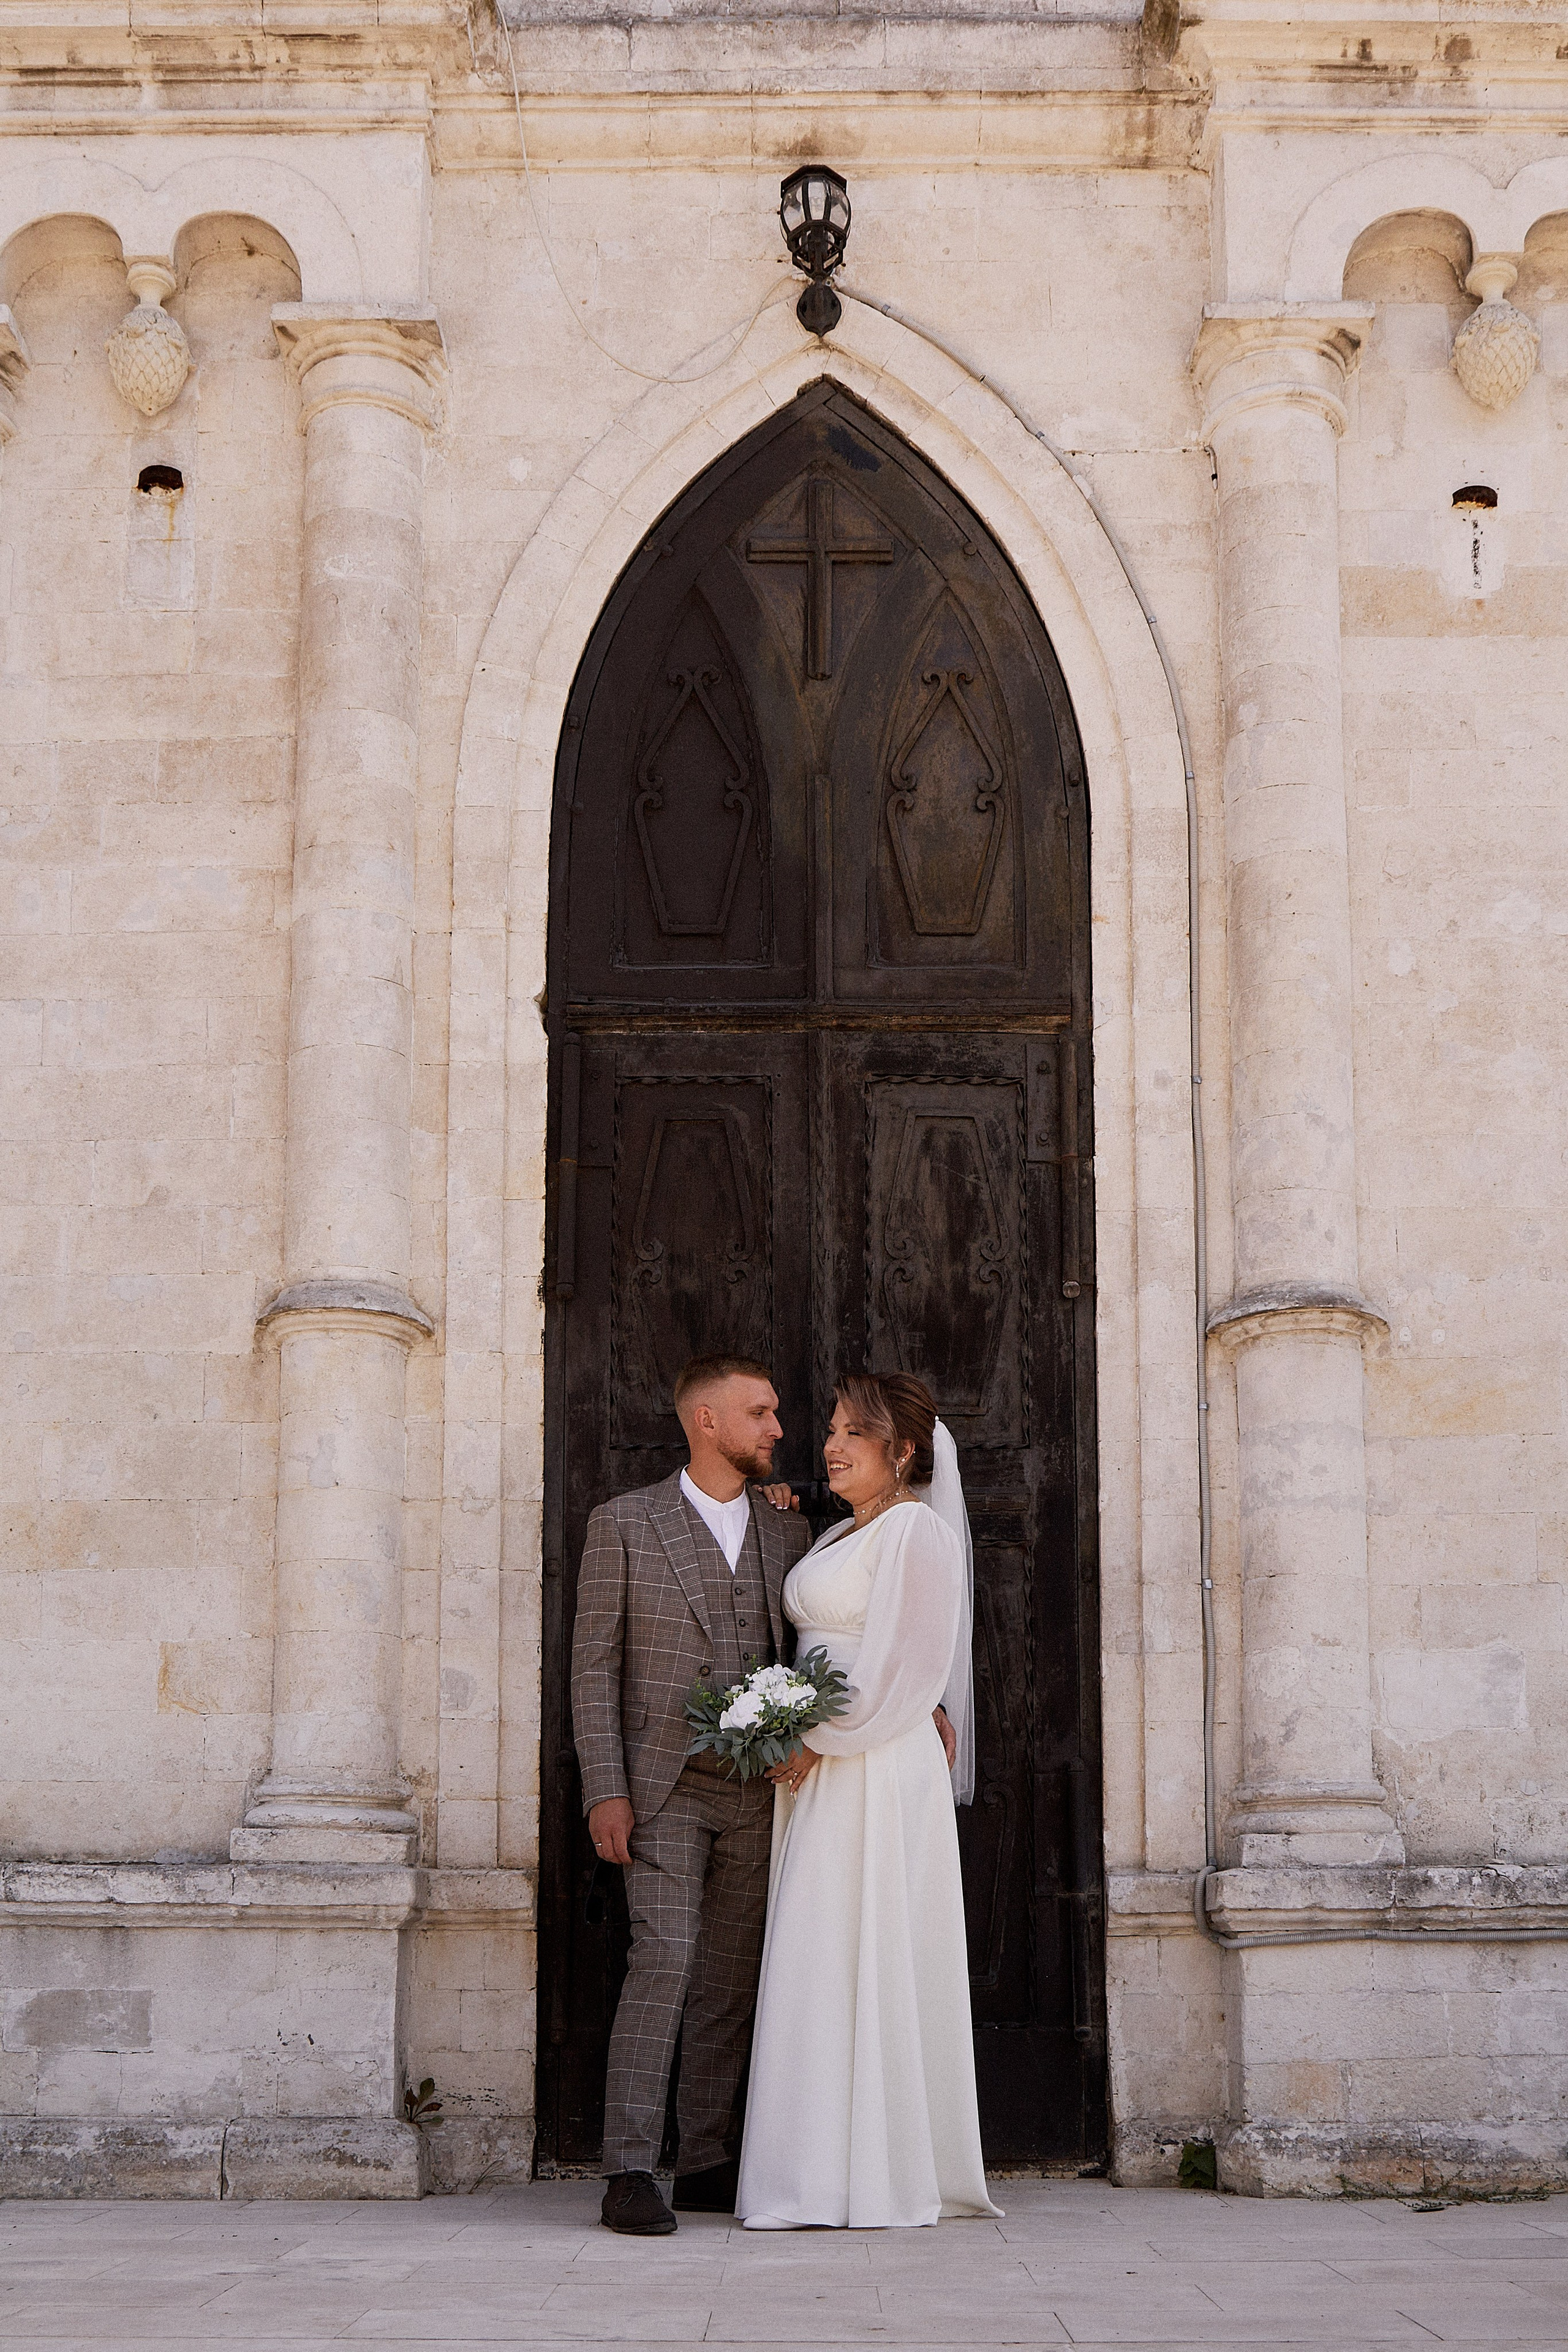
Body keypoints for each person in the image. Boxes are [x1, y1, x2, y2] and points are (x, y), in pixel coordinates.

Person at [736, 1370, 1003, 2230]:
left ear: (904, 1453)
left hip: (876, 1765)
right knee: (821, 1953)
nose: (832, 1445)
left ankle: (881, 2173)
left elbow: (907, 1667)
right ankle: (811, 2173)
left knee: (871, 1946)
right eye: (834, 1430)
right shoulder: (834, 1538)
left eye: (856, 1433)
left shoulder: (918, 1532)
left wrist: (812, 1740)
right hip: (826, 1765)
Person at [570, 1354, 813, 2237]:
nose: (778, 1429)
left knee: (727, 1978)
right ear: (706, 1421)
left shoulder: (789, 1530)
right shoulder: (624, 1524)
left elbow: (829, 1644)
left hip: (759, 1790)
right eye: (761, 1413)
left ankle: (706, 2159)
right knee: (664, 1961)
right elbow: (593, 1667)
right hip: (663, 1786)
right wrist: (606, 1788)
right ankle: (630, 2166)